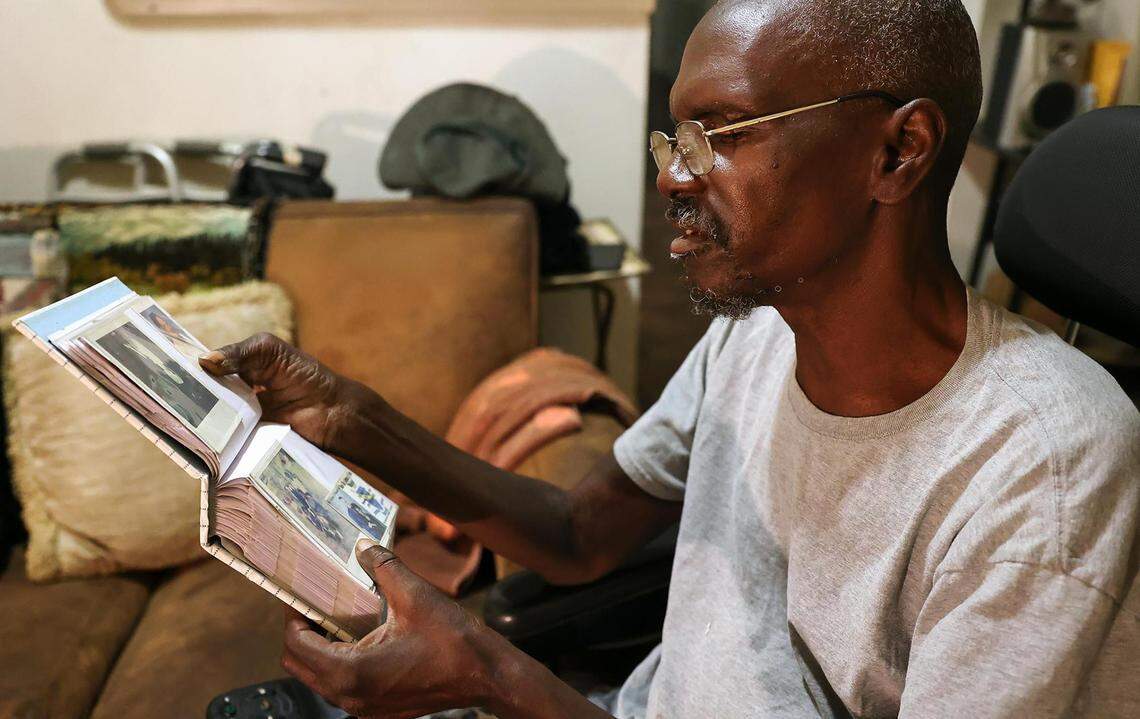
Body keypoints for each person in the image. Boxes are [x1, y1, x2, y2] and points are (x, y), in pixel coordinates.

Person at [200, 0, 1140, 716]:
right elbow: (578, 536)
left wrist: (491, 674)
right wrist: (350, 419)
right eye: (673, 135)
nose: (671, 175)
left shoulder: (1043, 469)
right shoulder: (759, 331)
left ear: (898, 152)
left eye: (719, 134)